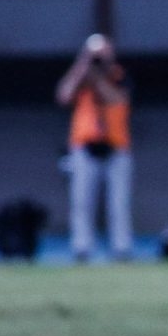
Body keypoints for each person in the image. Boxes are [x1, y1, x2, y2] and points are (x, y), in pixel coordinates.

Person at [56, 33, 133, 262]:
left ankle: (121, 248)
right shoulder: (81, 76)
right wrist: (82, 66)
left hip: (116, 146)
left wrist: (99, 77)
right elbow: (63, 96)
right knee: (81, 202)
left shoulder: (119, 75)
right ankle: (82, 247)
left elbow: (118, 99)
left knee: (118, 203)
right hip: (84, 146)